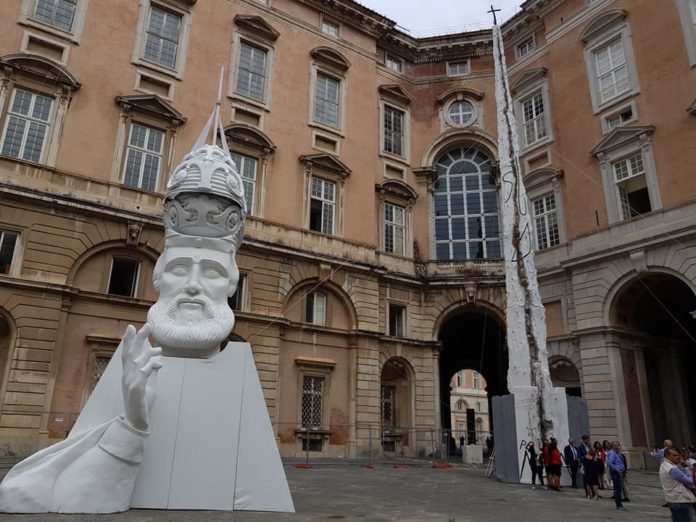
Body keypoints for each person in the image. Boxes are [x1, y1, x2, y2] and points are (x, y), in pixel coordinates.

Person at [0, 143, 293, 514]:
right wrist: (134, 423)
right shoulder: (134, 368)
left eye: (213, 272)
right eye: (180, 268)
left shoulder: (239, 370)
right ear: (158, 278)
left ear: (233, 286)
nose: (192, 286)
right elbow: (42, 496)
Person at [659, 447, 696, 522]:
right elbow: (689, 481)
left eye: (678, 455)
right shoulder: (672, 469)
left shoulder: (664, 465)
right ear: (668, 456)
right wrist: (687, 471)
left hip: (672, 499)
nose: (678, 457)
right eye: (674, 455)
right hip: (681, 500)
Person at [606, 440, 626, 511]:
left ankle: (620, 504)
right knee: (617, 489)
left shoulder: (617, 453)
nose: (617, 446)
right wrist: (617, 470)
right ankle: (618, 504)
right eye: (616, 445)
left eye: (618, 445)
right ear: (612, 446)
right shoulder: (612, 453)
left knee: (619, 488)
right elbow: (610, 463)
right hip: (616, 473)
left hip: (620, 472)